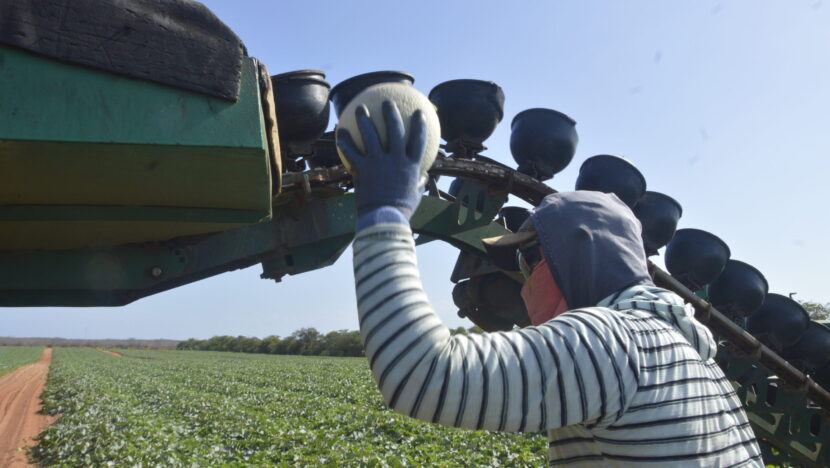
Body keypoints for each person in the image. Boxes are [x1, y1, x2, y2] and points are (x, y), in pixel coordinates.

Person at [336, 101, 762, 467]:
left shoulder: (615, 343)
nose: (522, 285)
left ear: (574, 258)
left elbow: (422, 375)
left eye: (527, 261)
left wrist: (384, 210)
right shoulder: (686, 349)